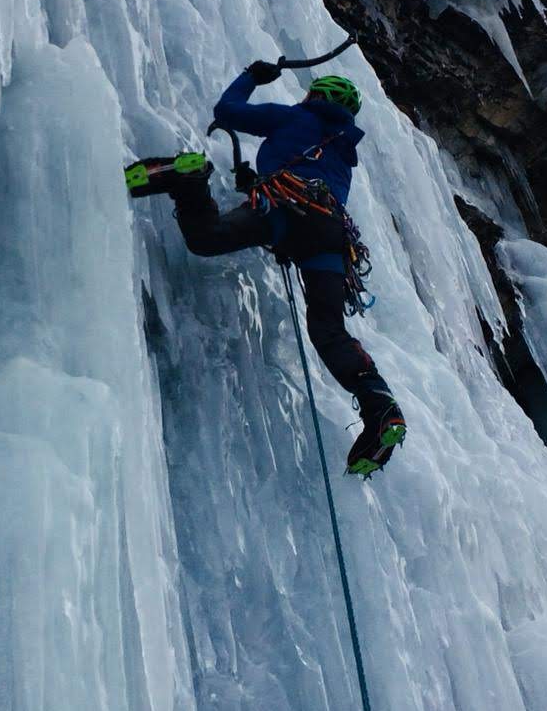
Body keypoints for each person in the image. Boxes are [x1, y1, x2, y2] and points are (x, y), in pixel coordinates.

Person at [126, 60, 406, 476]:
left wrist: (253, 77)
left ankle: (190, 181)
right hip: (330, 235)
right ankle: (381, 406)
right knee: (328, 330)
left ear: (315, 97)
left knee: (207, 237)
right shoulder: (345, 153)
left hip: (285, 208)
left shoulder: (295, 116)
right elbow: (300, 169)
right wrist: (252, 181)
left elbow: (228, 112)